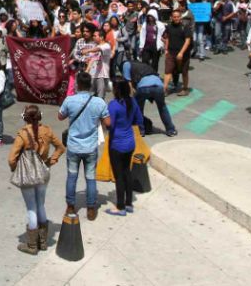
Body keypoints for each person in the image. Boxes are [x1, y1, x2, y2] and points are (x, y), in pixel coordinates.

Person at [8, 104, 66, 255]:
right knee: (41, 205)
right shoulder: (47, 131)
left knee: (31, 208)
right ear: (39, 116)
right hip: (43, 172)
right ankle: (43, 242)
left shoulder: (22, 134)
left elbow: (12, 158)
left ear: (25, 118)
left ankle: (32, 246)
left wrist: (15, 168)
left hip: (27, 175)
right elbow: (60, 148)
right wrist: (50, 161)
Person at [58, 72, 111, 220]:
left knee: (72, 177)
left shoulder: (70, 100)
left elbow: (60, 116)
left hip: (74, 147)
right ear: (90, 85)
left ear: (78, 85)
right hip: (90, 147)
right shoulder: (99, 102)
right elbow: (108, 123)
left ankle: (70, 206)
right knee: (90, 178)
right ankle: (91, 208)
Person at [104, 77, 143, 216]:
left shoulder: (113, 105)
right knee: (127, 172)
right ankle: (128, 203)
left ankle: (120, 207)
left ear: (116, 89)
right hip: (130, 142)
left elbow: (110, 124)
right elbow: (138, 120)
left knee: (118, 176)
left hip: (117, 144)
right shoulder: (132, 102)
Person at [121, 60, 177, 137]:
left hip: (144, 87)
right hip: (159, 86)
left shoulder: (126, 64)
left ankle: (140, 131)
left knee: (138, 108)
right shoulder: (144, 65)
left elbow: (128, 83)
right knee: (162, 108)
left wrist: (130, 98)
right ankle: (171, 130)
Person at [163, 9, 193, 96]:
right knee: (168, 71)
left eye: (178, 17)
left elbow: (187, 41)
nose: (176, 18)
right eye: (174, 17)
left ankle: (185, 89)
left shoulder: (185, 27)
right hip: (171, 53)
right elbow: (167, 38)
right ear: (172, 17)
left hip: (184, 54)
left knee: (184, 72)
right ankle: (164, 89)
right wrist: (166, 49)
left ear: (181, 17)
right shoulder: (169, 27)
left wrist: (181, 53)